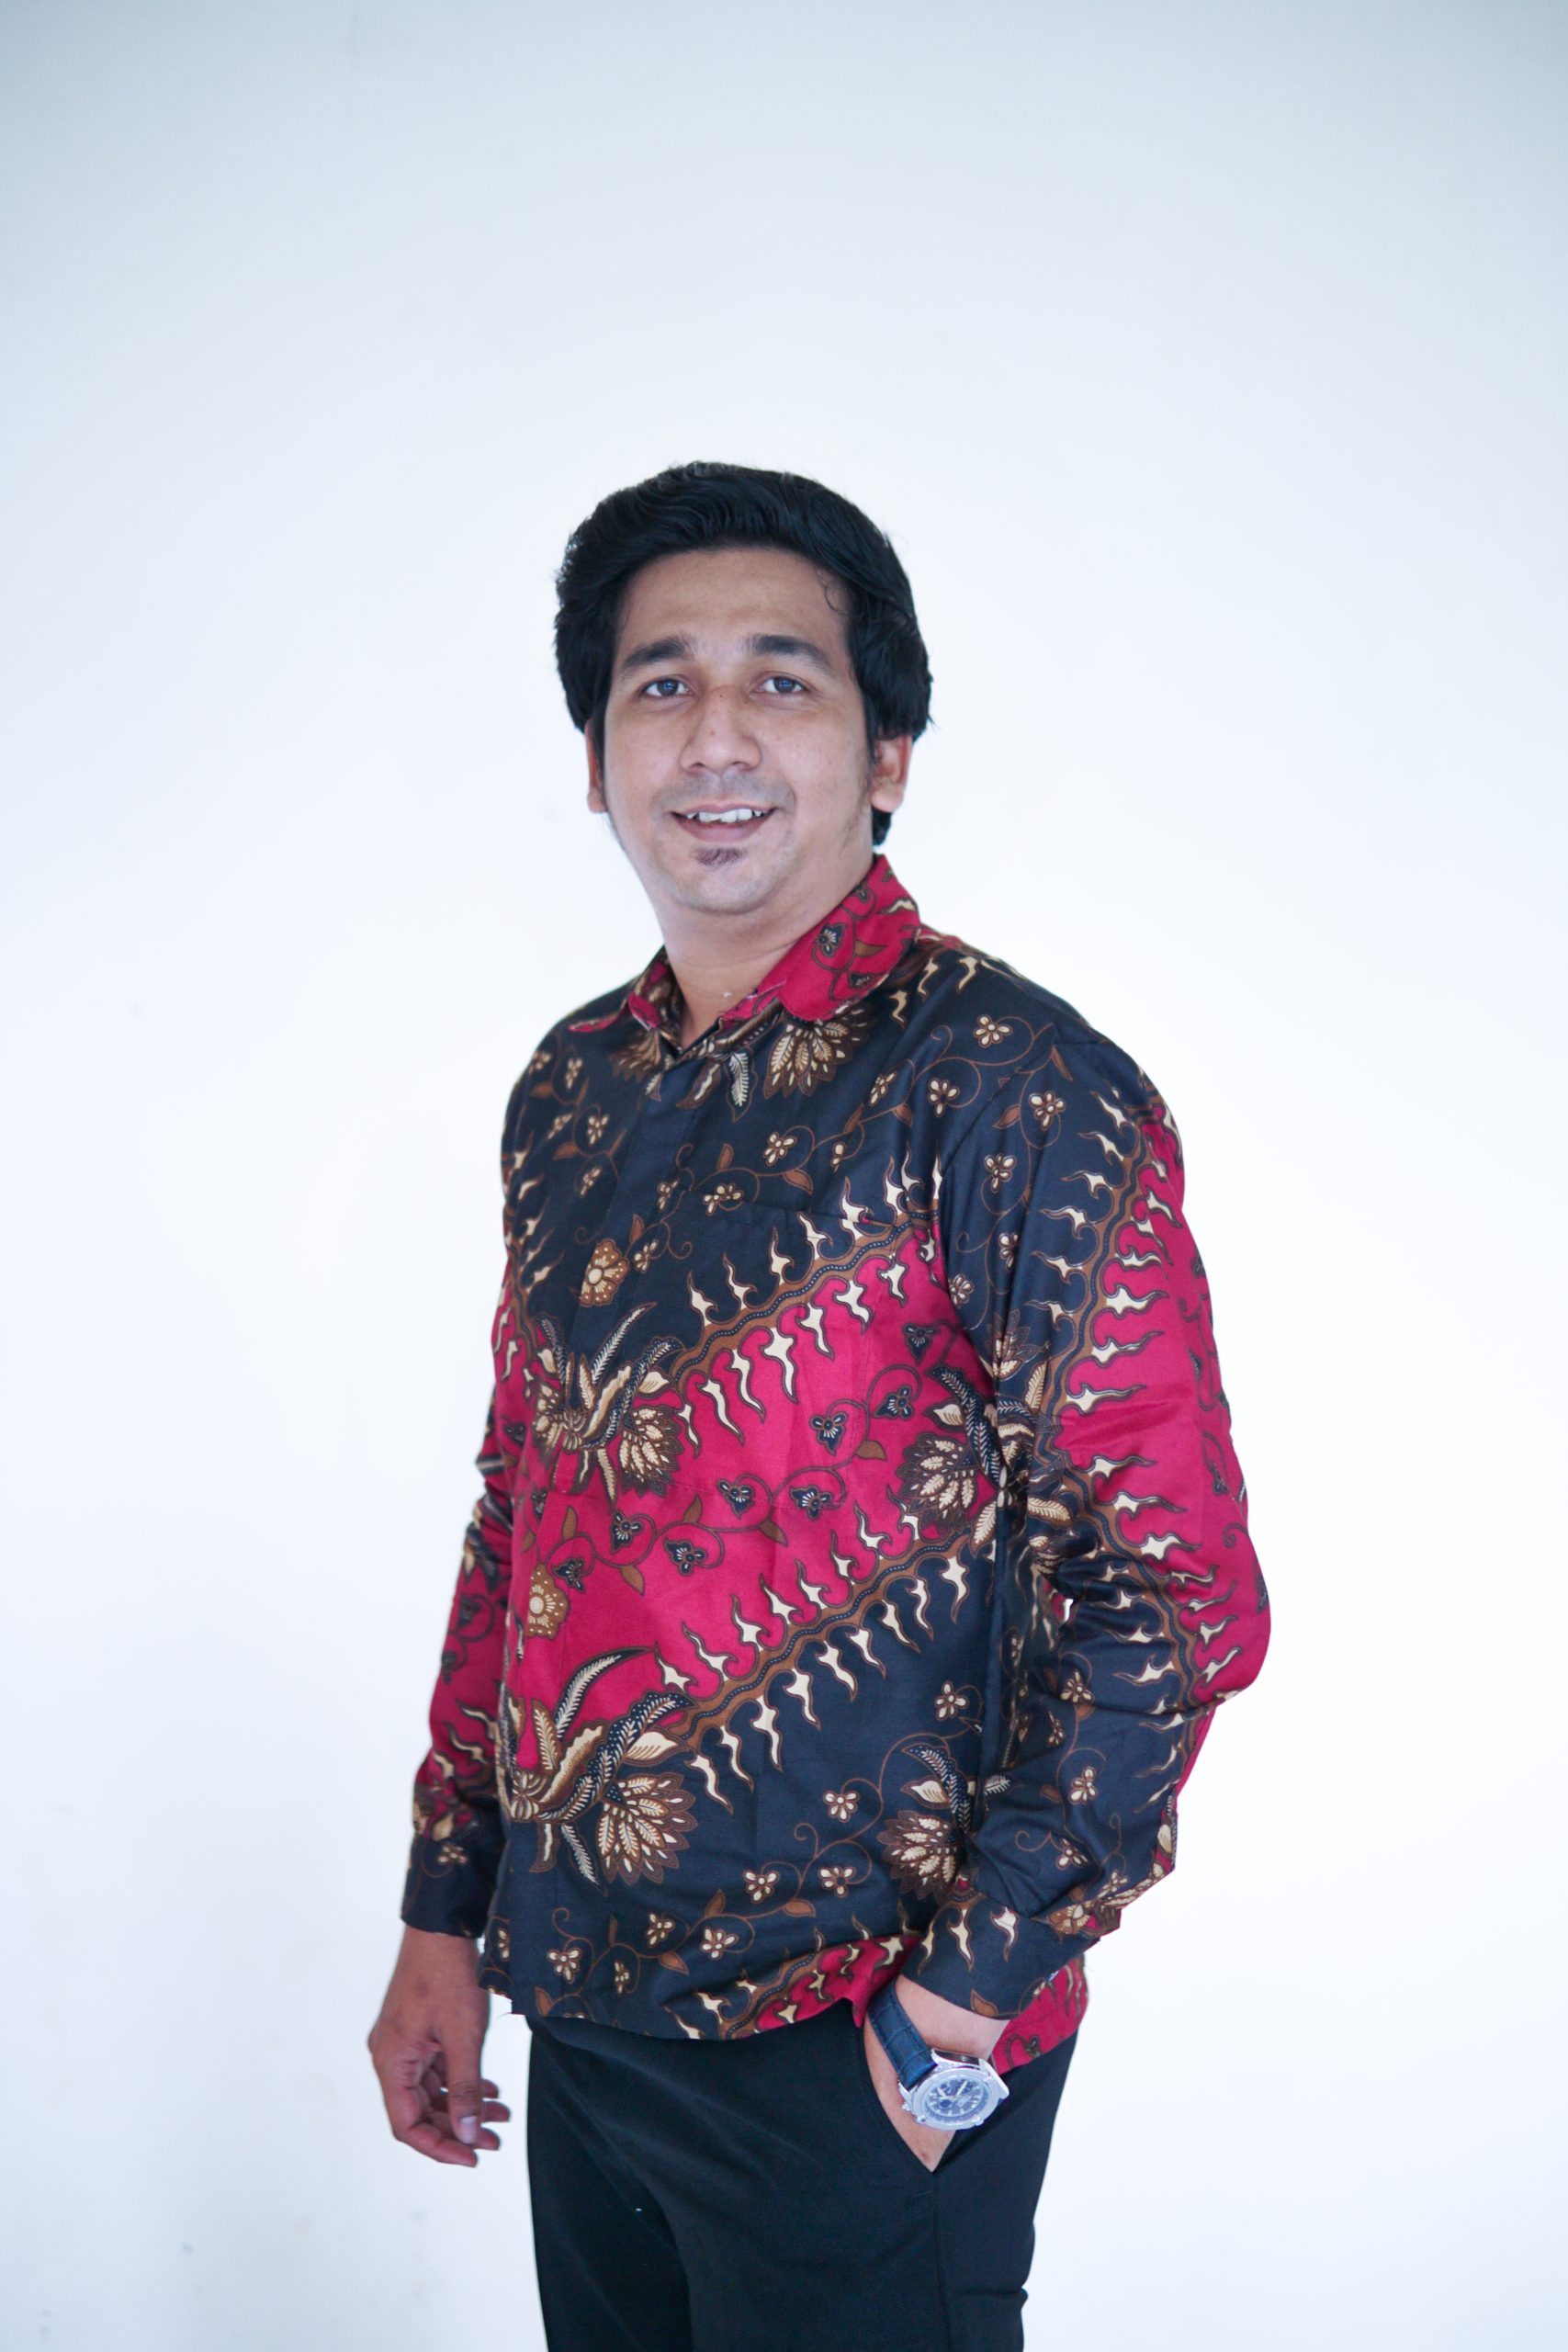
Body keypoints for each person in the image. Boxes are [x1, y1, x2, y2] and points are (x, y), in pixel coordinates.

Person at [367, 461, 1270, 2351]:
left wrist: (948, 2022)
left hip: (859, 2037)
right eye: (660, 682)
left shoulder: (1012, 1086)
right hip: (582, 2008)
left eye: (781, 679)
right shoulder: (572, 1091)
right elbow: (522, 1510)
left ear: (888, 753)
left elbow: (1170, 1596)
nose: (714, 734)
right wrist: (445, 1911)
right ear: (595, 757)